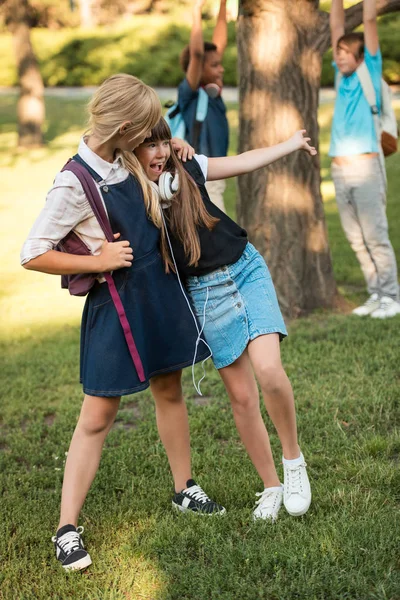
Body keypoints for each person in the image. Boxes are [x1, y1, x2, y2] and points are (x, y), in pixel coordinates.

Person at [20, 74, 226, 572]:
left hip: (155, 298)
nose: (150, 139)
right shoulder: (75, 181)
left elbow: (162, 167)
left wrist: (174, 145)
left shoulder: (124, 159)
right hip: (114, 309)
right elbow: (32, 253)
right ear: (126, 126)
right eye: (146, 130)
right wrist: (98, 259)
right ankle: (67, 528)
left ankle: (184, 488)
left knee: (170, 392)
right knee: (97, 416)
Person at [134, 118, 316, 523]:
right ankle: (271, 486)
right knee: (242, 397)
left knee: (269, 371)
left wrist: (288, 144)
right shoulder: (134, 198)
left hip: (245, 271)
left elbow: (244, 161)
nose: (161, 152)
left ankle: (293, 461)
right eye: (149, 145)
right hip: (205, 295)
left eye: (164, 142)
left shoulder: (189, 168)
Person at [329, 0, 400, 319]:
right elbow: (335, 27)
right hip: (340, 170)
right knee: (356, 239)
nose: (339, 54)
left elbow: (369, 21)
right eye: (338, 51)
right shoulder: (340, 80)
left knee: (375, 235)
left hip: (367, 168)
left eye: (345, 52)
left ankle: (392, 296)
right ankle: (375, 294)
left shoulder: (368, 72)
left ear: (359, 58)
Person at [177, 0, 229, 212]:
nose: (222, 69)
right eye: (215, 65)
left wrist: (223, 5)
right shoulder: (190, 93)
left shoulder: (213, 93)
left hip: (215, 176)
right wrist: (196, 10)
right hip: (201, 178)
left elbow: (219, 44)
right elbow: (197, 54)